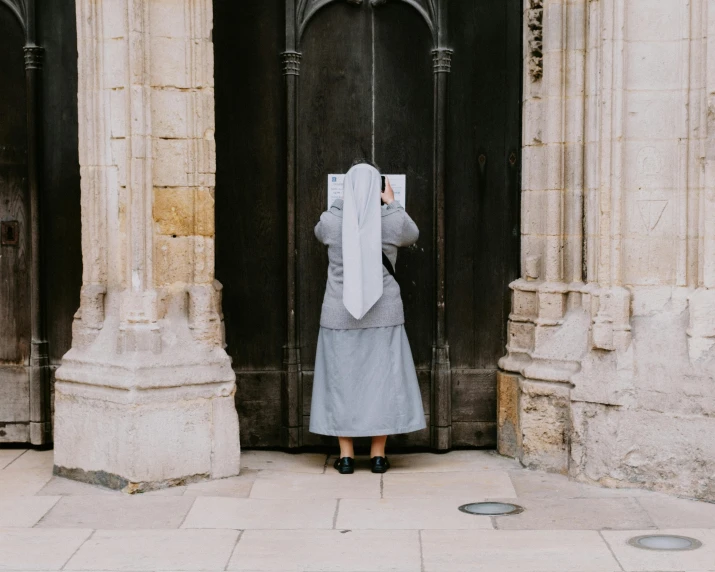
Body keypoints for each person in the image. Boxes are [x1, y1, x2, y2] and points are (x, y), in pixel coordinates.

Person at [309, 160, 426, 474]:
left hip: (338, 312)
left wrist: (341, 200)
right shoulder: (391, 222)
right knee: (383, 382)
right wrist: (391, 202)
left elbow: (320, 231)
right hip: (384, 311)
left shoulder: (333, 221)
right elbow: (412, 233)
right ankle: (377, 455)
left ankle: (346, 456)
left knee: (341, 382)